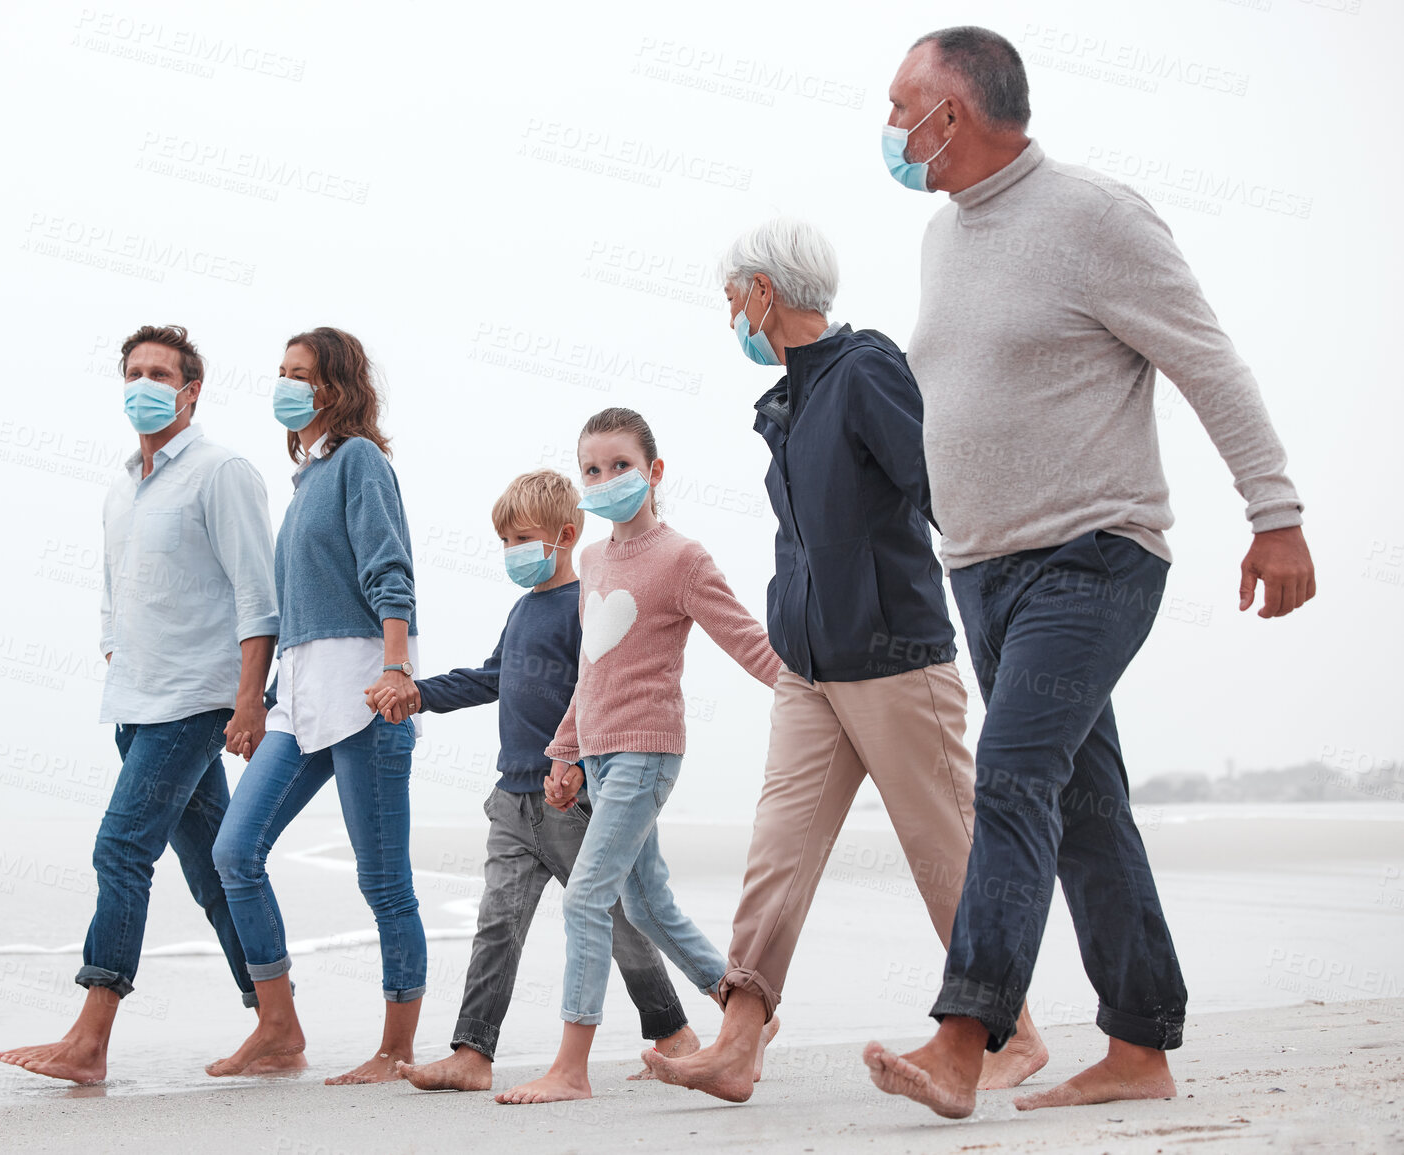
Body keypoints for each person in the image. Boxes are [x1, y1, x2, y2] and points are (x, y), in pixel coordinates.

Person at [863, 27, 1316, 1119]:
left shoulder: (1094, 216)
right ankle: (1139, 1044)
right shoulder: (942, 235)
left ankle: (965, 1036)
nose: (887, 127)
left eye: (897, 105)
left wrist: (1277, 513)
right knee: (1089, 806)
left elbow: (1205, 356)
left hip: (1094, 557)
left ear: (952, 114)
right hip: (985, 575)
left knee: (1013, 776)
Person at [646, 218, 1046, 1103]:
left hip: (895, 657)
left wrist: (1015, 604)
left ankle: (1009, 1036)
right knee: (777, 852)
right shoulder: (788, 400)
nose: (729, 319)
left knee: (946, 851)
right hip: (810, 670)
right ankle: (738, 1043)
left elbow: (941, 487)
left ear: (763, 292)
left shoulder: (864, 368)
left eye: (730, 300)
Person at [0, 324, 279, 1083]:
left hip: (194, 703)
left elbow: (259, 596)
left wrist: (247, 700)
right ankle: (277, 1024)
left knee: (119, 850)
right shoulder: (121, 487)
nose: (144, 383)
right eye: (133, 371)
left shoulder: (222, 472)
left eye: (160, 373)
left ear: (191, 390)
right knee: (216, 870)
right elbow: (112, 595)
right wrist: (116, 654)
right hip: (134, 703)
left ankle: (90, 1037)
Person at [497, 408, 783, 1105]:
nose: (603, 479)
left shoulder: (682, 557)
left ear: (653, 472)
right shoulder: (592, 559)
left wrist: (814, 696)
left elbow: (748, 641)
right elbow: (591, 672)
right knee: (646, 903)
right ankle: (748, 1016)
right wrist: (562, 753)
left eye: (619, 465)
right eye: (591, 468)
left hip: (647, 752)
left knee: (586, 898)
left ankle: (570, 1067)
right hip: (595, 755)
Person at [379, 470, 699, 1093]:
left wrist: (576, 763)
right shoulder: (524, 608)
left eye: (521, 537)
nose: (511, 552)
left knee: (614, 918)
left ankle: (673, 1033)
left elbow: (598, 691)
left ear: (565, 535)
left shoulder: (587, 605)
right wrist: (418, 694)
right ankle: (473, 1053)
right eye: (503, 540)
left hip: (570, 798)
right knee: (497, 921)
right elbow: (490, 676)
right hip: (512, 800)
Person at [207, 327, 428, 1085]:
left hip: (368, 693)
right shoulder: (306, 481)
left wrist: (397, 666)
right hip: (301, 702)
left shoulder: (359, 461)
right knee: (235, 851)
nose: (284, 384)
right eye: (280, 371)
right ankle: (278, 1026)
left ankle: (396, 1048)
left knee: (383, 880)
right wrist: (264, 701)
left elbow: (388, 568)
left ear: (332, 388)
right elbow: (298, 608)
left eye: (299, 374)